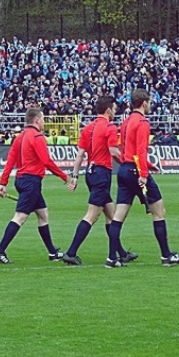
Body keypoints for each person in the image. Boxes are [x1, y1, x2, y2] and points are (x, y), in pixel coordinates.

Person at [107, 89, 179, 268]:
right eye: (149, 102)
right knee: (159, 212)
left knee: (118, 216)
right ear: (144, 102)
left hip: (124, 169)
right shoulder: (142, 122)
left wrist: (147, 165)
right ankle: (166, 256)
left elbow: (127, 150)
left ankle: (112, 258)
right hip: (136, 171)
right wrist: (144, 173)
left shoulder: (126, 121)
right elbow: (141, 150)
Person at [63, 96, 138, 266]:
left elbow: (80, 155)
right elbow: (113, 152)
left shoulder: (88, 128)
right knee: (92, 215)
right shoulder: (110, 127)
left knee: (111, 216)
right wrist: (129, 163)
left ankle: (121, 253)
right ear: (108, 110)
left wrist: (75, 176)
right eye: (114, 108)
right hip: (101, 173)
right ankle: (71, 252)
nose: (115, 111)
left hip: (91, 172)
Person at [0, 107, 69, 264]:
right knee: (20, 217)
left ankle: (52, 252)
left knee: (43, 214)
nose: (45, 123)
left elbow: (10, 161)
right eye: (44, 119)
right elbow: (46, 161)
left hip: (22, 180)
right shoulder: (38, 137)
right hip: (31, 182)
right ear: (37, 120)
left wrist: (3, 183)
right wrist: (63, 176)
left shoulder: (19, 138)